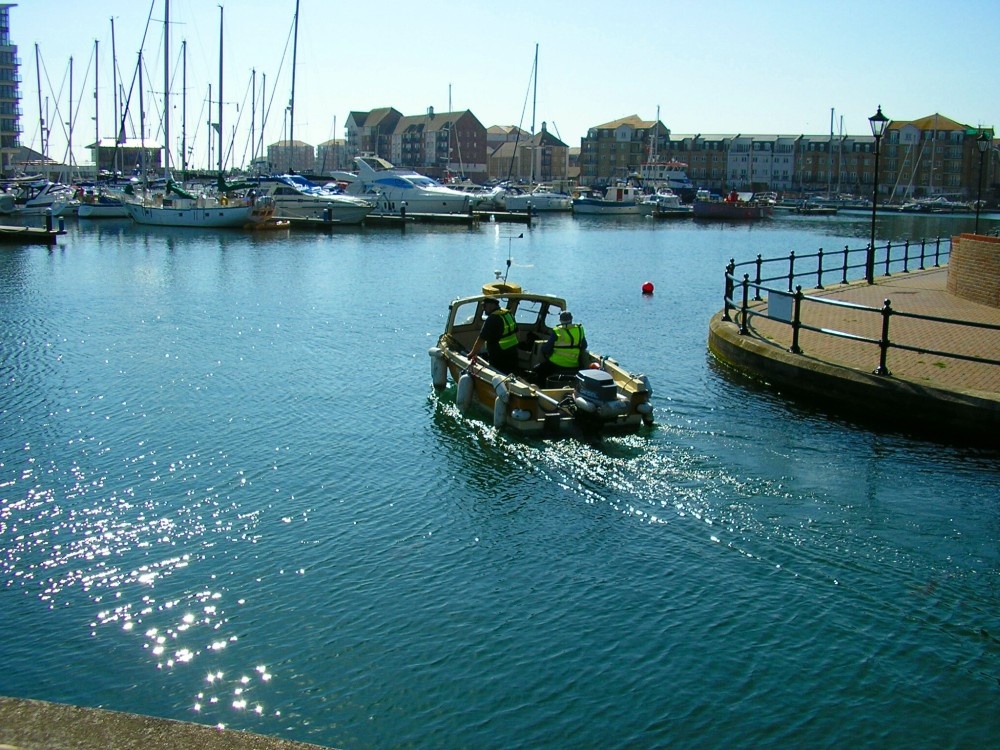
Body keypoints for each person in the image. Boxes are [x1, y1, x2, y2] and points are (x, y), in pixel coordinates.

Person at [468, 296, 520, 374]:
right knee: (511, 374)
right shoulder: (508, 314)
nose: (483, 309)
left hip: (499, 356)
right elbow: (517, 332)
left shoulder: (492, 319)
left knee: (499, 375)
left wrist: (472, 353)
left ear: (491, 305)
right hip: (513, 352)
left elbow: (481, 339)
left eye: (484, 306)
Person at [536, 310, 587, 384]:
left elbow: (546, 349)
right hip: (574, 365)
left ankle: (541, 387)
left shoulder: (557, 331)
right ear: (571, 319)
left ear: (560, 320)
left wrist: (543, 348)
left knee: (537, 369)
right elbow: (584, 346)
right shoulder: (579, 329)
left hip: (556, 364)